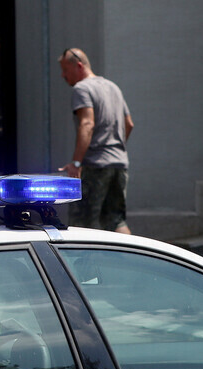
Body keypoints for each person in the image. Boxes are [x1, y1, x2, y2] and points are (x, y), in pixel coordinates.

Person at [57, 48, 134, 234]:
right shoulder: (113, 87)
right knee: (116, 221)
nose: (63, 75)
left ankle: (81, 256)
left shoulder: (82, 88)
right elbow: (129, 124)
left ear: (79, 66)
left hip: (95, 165)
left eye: (65, 70)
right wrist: (115, 149)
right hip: (119, 164)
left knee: (80, 224)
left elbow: (87, 123)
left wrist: (76, 163)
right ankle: (127, 253)